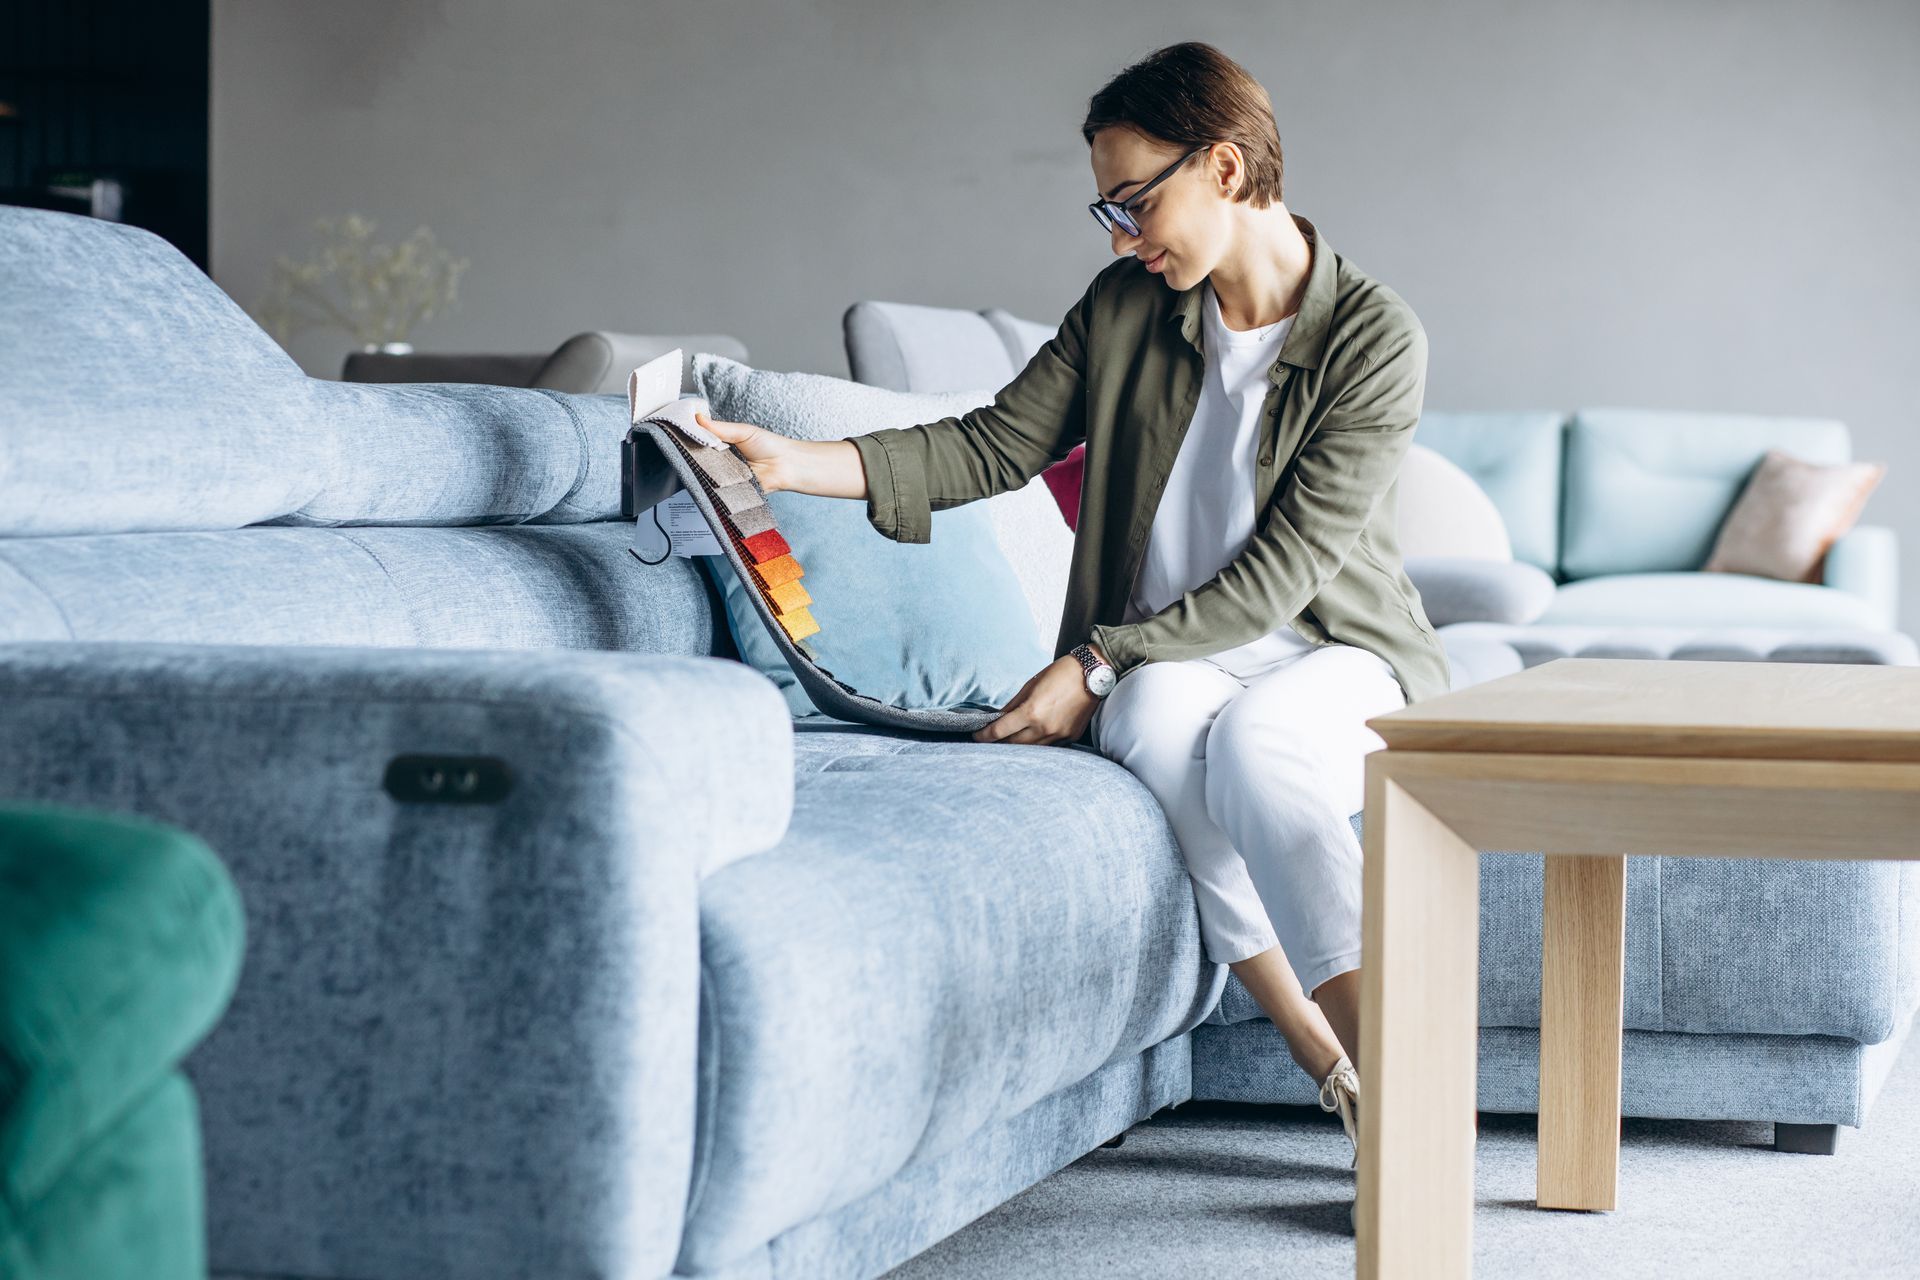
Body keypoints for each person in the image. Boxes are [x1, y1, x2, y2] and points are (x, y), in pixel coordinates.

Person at [695, 41, 1451, 1175]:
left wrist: (1097, 659)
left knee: (1254, 747)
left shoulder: (1373, 336)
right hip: (1174, 653)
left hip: (1327, 646)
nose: (1120, 235)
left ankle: (1408, 1098)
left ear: (1229, 171)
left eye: (1138, 201)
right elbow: (994, 441)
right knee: (1150, 726)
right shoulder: (1126, 306)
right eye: (1108, 206)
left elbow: (1284, 574)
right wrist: (791, 462)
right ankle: (1319, 1053)